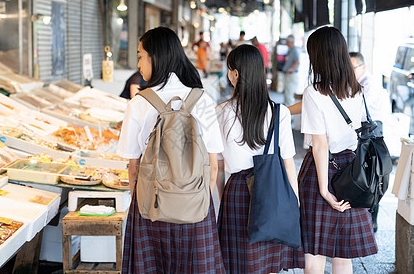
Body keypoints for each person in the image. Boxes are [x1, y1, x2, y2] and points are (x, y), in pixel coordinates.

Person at [117, 27, 225, 273]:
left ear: (155, 57)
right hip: (196, 207)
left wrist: (138, 200)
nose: (139, 63)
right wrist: (200, 200)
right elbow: (214, 163)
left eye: (140, 55)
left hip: (151, 206)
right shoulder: (202, 100)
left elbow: (132, 165)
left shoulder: (139, 103)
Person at [216, 44, 304, 273]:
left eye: (229, 69)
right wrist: (294, 203)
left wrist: (221, 199)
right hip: (272, 190)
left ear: (235, 74)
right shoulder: (279, 112)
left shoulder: (221, 112)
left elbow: (217, 167)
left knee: (237, 263)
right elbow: (288, 163)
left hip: (236, 191)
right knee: (267, 263)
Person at [299, 26, 377, 274]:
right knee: (343, 254)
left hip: (321, 171)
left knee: (315, 251)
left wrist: (324, 190)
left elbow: (320, 144)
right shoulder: (356, 89)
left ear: (318, 55)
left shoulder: (314, 92)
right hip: (352, 172)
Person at [349, 51, 391, 233]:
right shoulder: (357, 83)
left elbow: (357, 110)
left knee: (373, 177)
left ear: (363, 67)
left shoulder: (368, 84)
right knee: (365, 175)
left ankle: (371, 222)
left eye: (352, 68)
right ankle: (366, 220)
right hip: (366, 132)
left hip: (373, 133)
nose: (348, 71)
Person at [282, 35, 301, 106]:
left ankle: (290, 114)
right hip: (289, 75)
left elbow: (297, 62)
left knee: (289, 94)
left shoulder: (294, 50)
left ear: (291, 42)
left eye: (287, 41)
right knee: (287, 93)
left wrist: (290, 69)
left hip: (292, 75)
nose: (286, 43)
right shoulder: (290, 50)